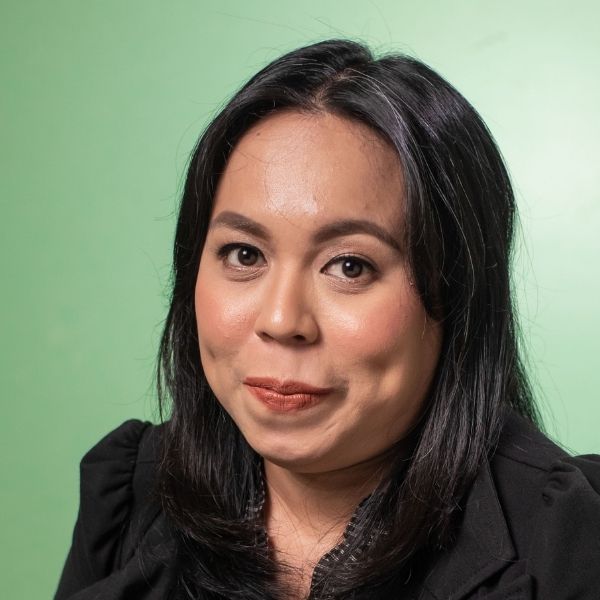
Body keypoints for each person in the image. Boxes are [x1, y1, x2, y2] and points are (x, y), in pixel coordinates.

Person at [54, 39, 600, 600]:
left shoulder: (566, 543)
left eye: (349, 265)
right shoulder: (134, 495)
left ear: (458, 294)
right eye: (244, 254)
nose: (281, 319)